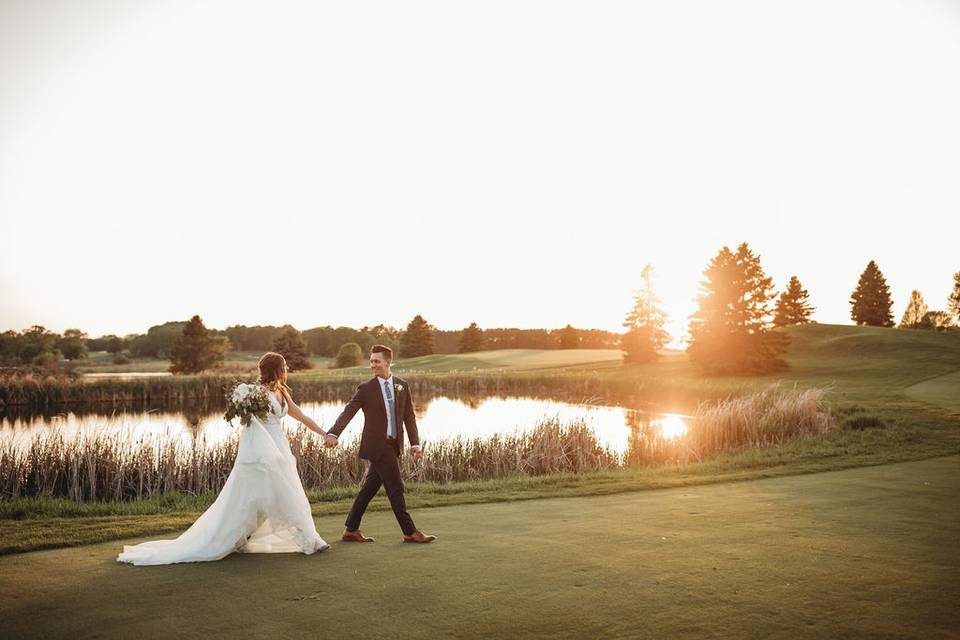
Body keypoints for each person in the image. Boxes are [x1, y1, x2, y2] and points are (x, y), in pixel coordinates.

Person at [117, 352, 329, 565]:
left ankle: (301, 539)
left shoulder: (282, 392)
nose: (287, 369)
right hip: (261, 454)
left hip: (280, 448)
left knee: (282, 492)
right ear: (276, 369)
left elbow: (301, 416)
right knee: (260, 497)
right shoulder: (255, 393)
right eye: (284, 365)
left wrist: (324, 434)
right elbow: (249, 425)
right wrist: (257, 453)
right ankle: (309, 541)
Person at [325, 344, 435, 543]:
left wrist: (415, 444)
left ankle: (351, 529)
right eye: (371, 361)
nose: (373, 365)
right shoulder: (366, 389)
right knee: (396, 488)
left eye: (377, 361)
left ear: (388, 362)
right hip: (378, 446)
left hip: (393, 445)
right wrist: (334, 433)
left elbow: (409, 417)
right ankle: (410, 532)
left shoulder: (402, 385)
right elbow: (349, 411)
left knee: (368, 489)